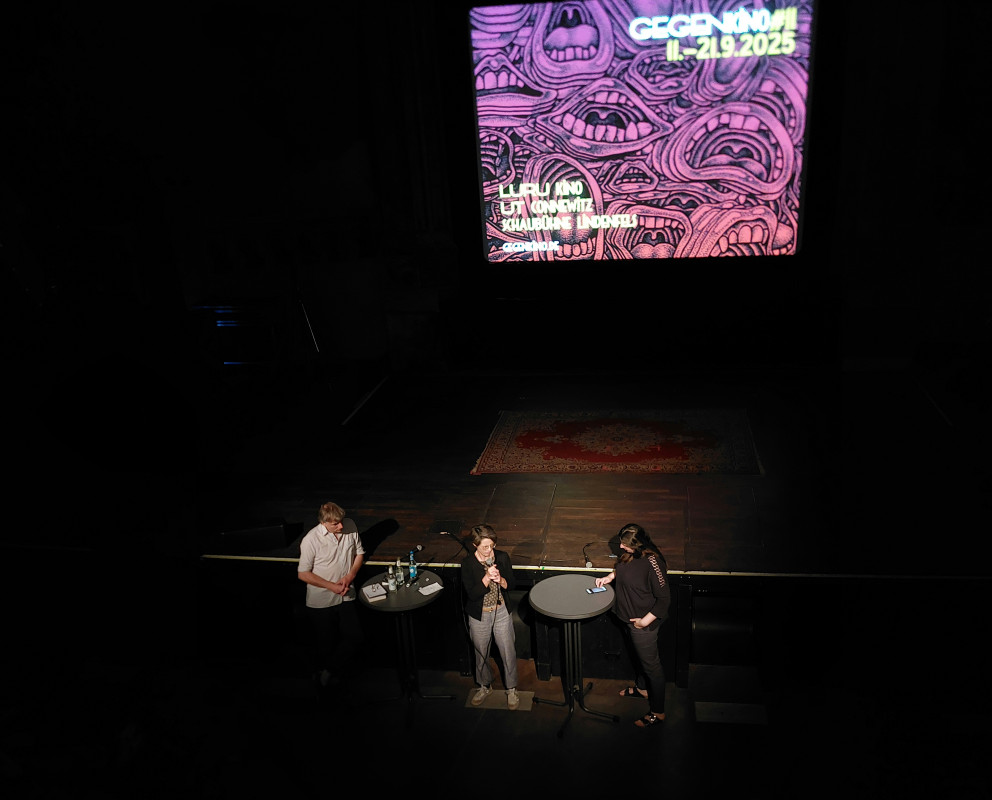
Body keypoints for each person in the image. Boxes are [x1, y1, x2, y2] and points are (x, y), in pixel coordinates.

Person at [595, 523, 670, 728]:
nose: (620, 547)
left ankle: (658, 712)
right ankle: (643, 689)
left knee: (652, 668)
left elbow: (664, 600)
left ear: (638, 544)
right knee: (640, 659)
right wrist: (610, 577)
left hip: (643, 626)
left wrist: (644, 622)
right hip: (628, 619)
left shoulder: (653, 562)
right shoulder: (630, 555)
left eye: (624, 544)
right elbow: (623, 570)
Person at [298, 501, 365, 690]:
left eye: (341, 521)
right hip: (321, 600)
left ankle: (329, 672)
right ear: (324, 523)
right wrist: (331, 587)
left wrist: (350, 576)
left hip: (346, 594)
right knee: (326, 644)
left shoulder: (350, 525)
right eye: (335, 523)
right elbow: (303, 574)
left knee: (355, 637)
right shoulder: (311, 540)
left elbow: (359, 554)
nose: (341, 526)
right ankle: (325, 682)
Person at [461, 524, 520, 710]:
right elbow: (472, 594)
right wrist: (486, 578)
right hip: (479, 616)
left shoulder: (502, 557)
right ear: (475, 545)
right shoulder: (468, 563)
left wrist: (501, 580)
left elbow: (512, 584)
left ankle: (511, 689)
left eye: (492, 546)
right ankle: (484, 686)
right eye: (485, 547)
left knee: (508, 652)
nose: (489, 550)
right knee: (481, 653)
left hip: (501, 612)